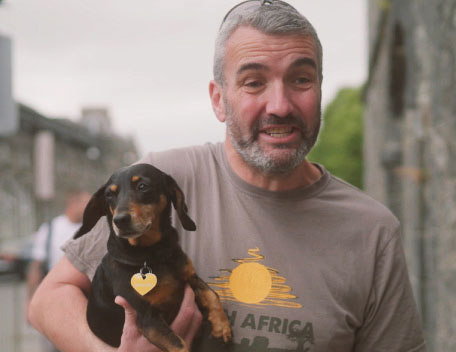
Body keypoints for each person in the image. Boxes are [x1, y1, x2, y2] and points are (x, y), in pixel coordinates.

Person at [28, 1, 426, 351]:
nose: (280, 105)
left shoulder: (371, 231)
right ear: (219, 99)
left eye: (301, 79)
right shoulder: (160, 181)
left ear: (319, 88)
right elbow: (50, 299)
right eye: (254, 82)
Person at [26, 189, 90, 351]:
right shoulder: (50, 229)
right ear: (72, 202)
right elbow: (36, 267)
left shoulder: (91, 228)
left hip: (83, 301)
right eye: (85, 202)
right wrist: (30, 301)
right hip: (52, 299)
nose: (89, 206)